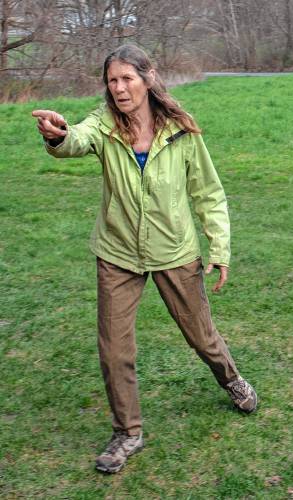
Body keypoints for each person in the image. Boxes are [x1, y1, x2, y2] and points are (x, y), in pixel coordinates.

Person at [32, 44, 258, 473]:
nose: (119, 88)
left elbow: (208, 194)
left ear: (148, 77)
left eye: (127, 79)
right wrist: (57, 135)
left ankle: (231, 379)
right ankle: (127, 432)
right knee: (115, 349)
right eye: (112, 80)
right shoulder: (103, 125)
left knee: (201, 335)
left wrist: (220, 248)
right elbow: (76, 140)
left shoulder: (180, 131)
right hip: (117, 252)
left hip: (174, 250)